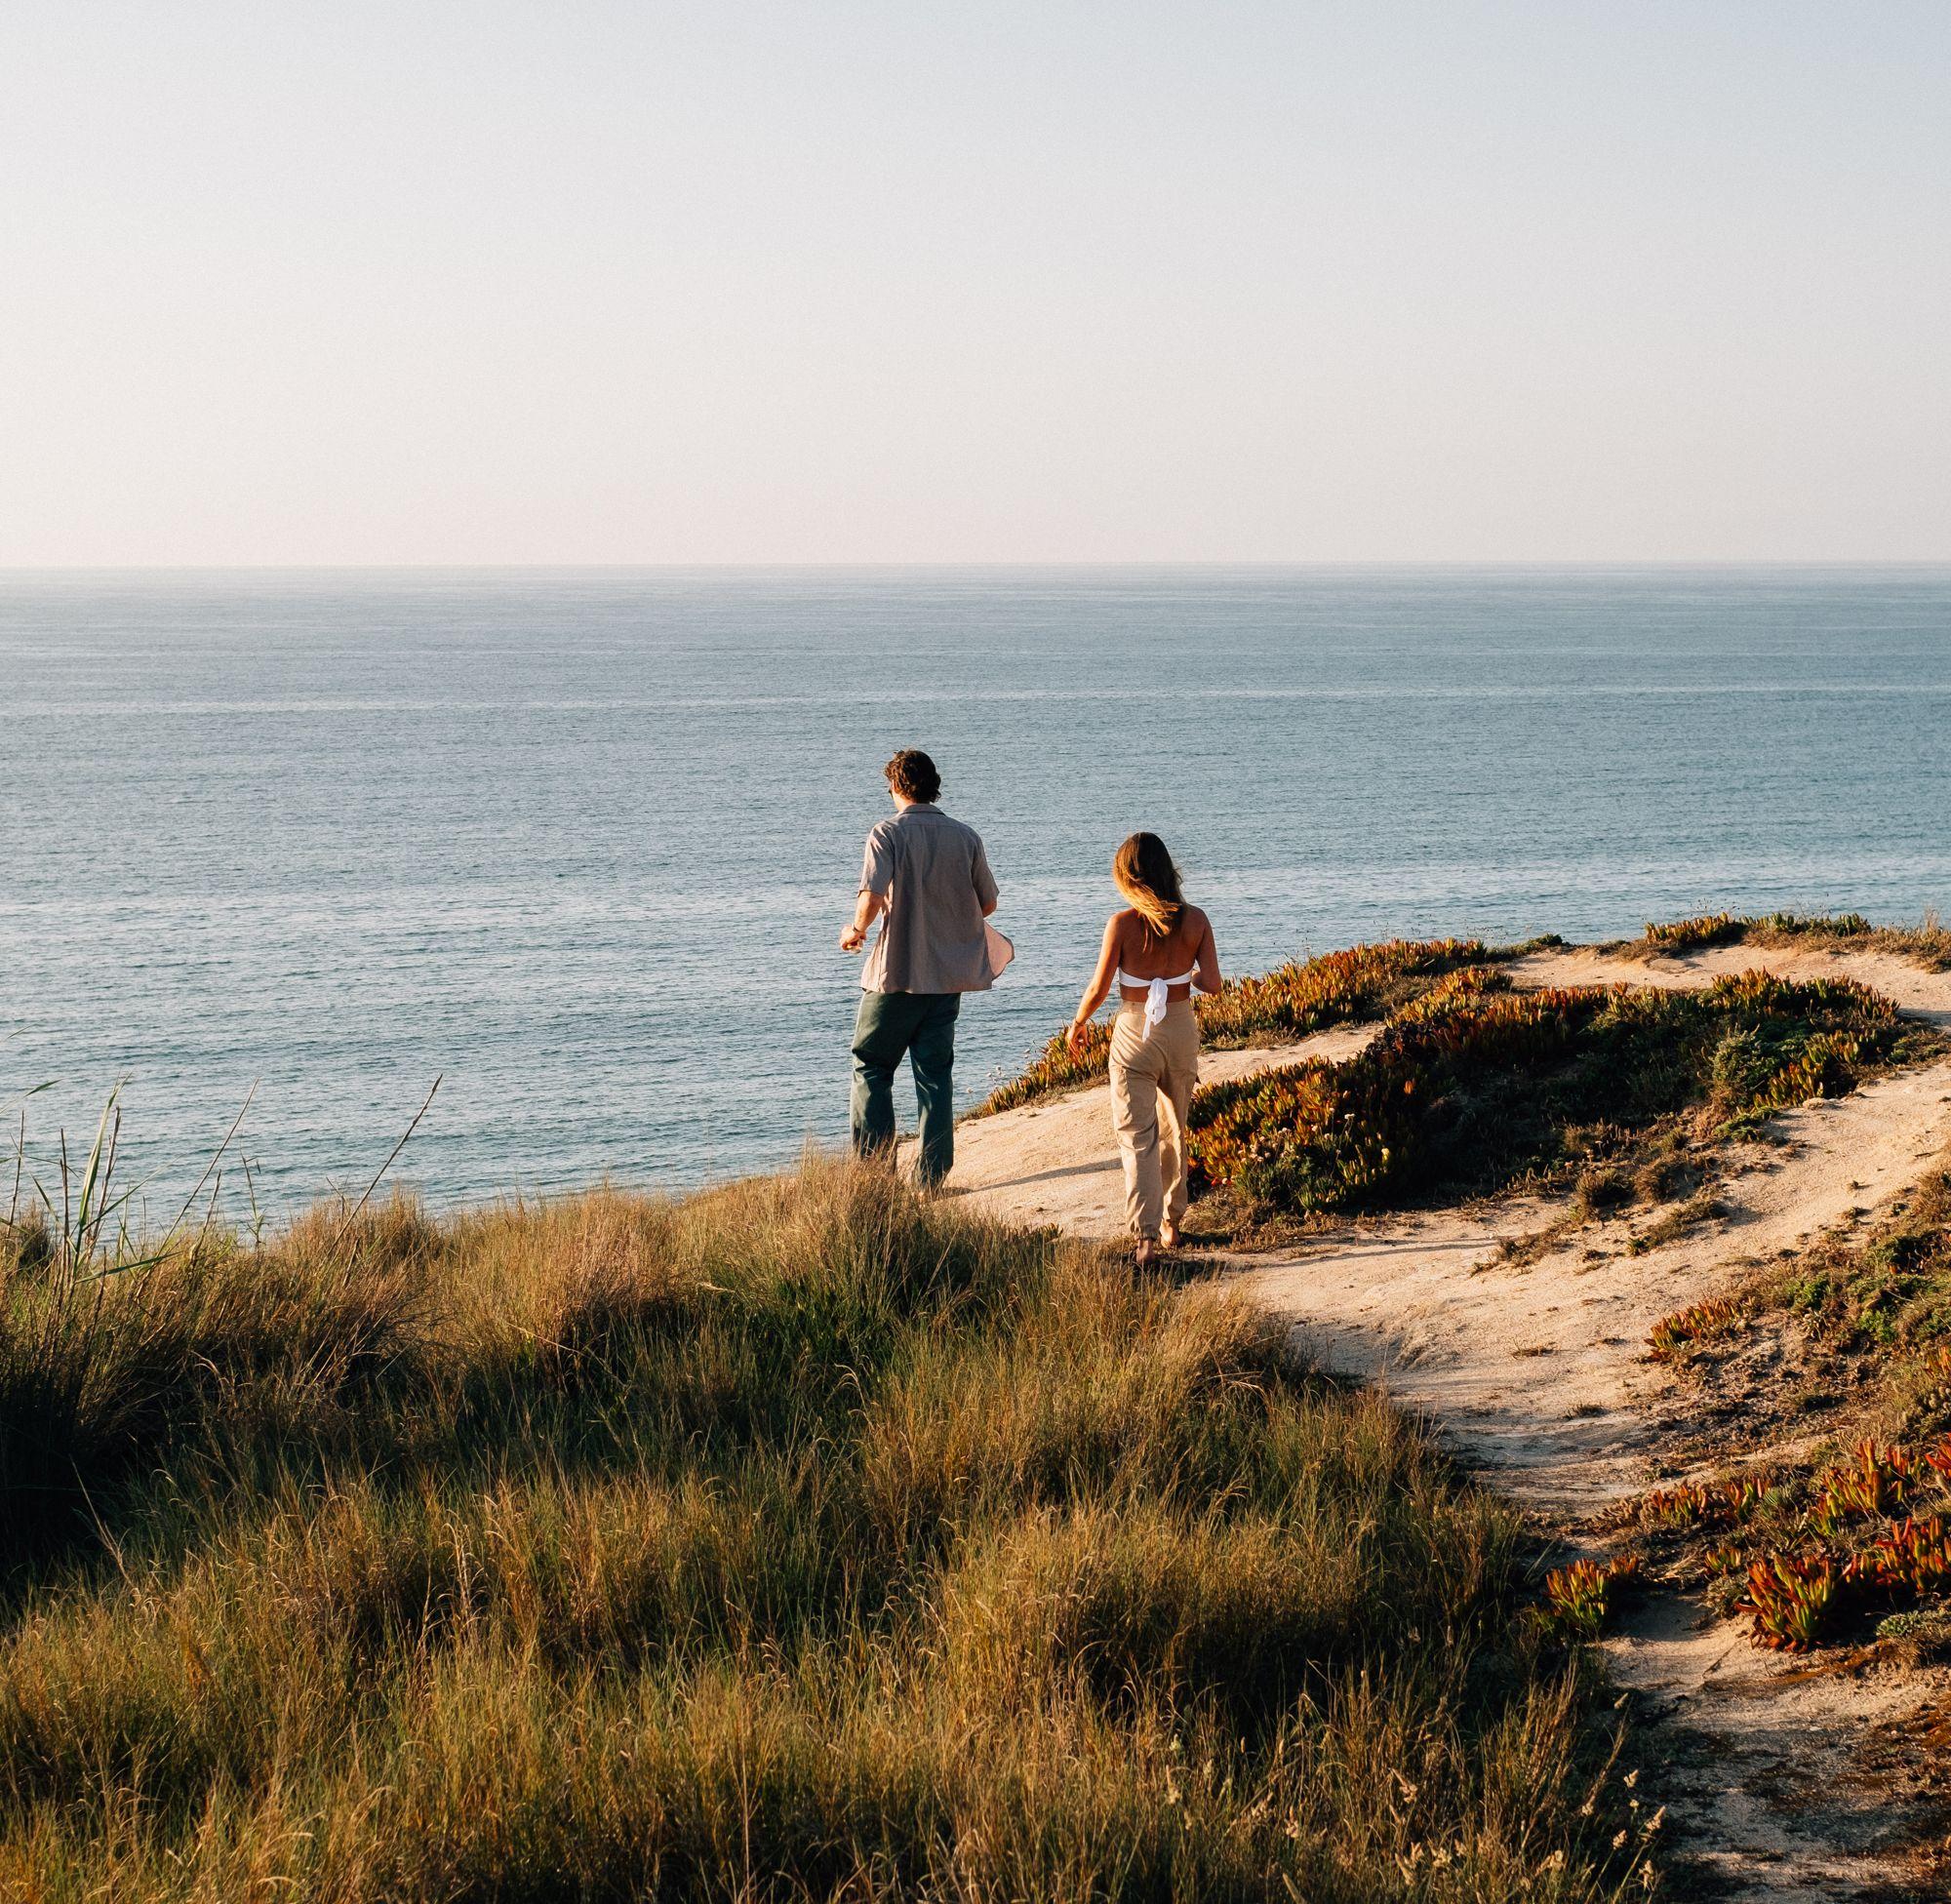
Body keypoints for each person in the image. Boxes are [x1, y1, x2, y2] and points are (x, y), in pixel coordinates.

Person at [840, 749, 1006, 1187]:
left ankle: (874, 1177)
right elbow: (988, 903)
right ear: (934, 786)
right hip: (946, 978)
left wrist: (854, 930)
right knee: (934, 1076)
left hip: (895, 975)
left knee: (871, 1066)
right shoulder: (965, 836)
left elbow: (872, 897)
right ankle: (931, 1179)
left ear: (895, 787)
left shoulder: (886, 833)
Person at [1065, 833, 1221, 1264]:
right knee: (1176, 1128)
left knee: (1137, 1137)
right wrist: (1180, 981)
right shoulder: (1197, 921)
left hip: (1135, 1033)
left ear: (1128, 878)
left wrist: (1078, 1024)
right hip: (1180, 1031)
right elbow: (1213, 983)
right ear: (1168, 870)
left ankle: (1145, 1238)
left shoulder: (1121, 925)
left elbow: (1098, 988)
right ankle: (1173, 1223)